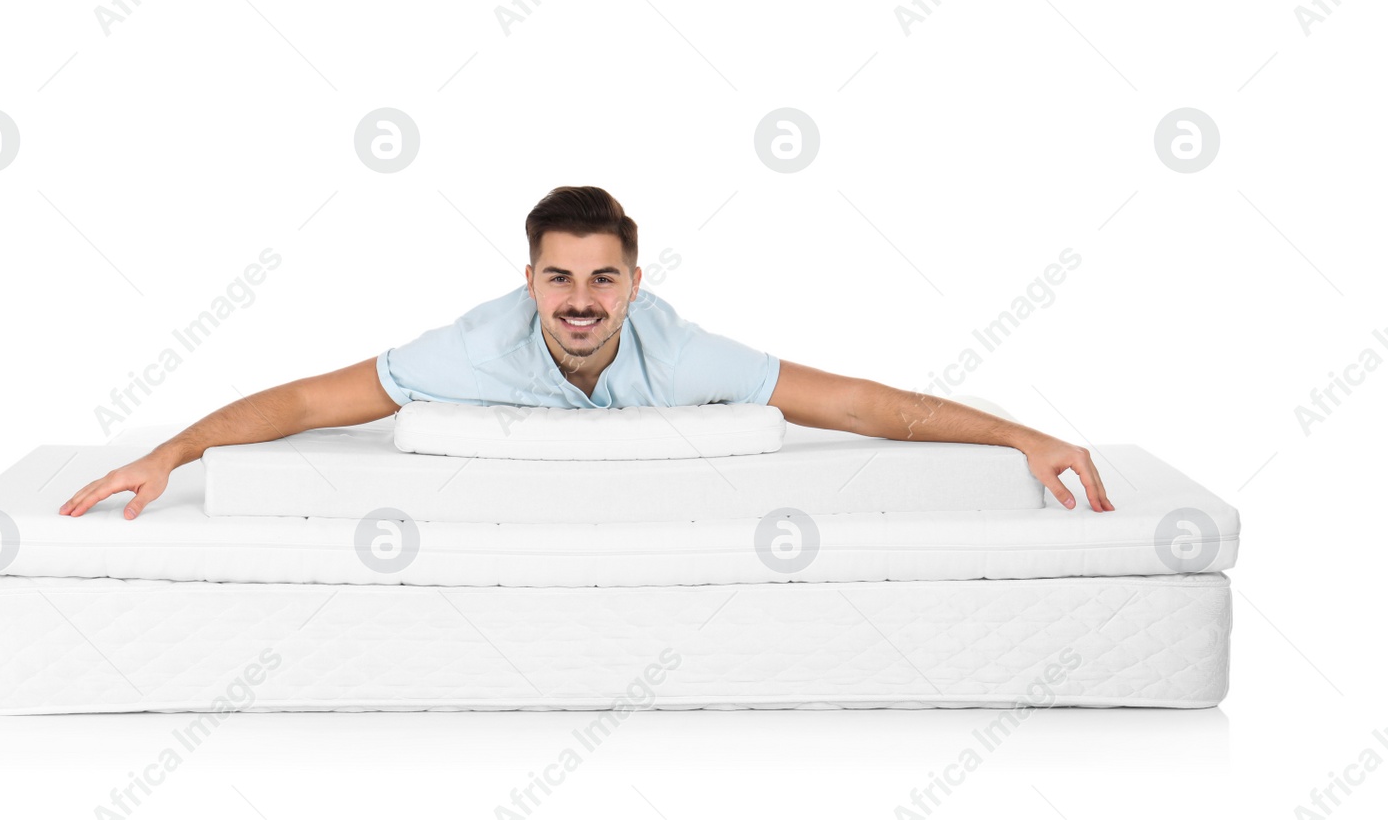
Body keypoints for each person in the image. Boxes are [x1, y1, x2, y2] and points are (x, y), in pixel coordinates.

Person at [61, 186, 1113, 519]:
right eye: (558, 278)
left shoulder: (679, 350)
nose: (579, 301)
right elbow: (298, 405)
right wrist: (172, 454)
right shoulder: (469, 349)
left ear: (634, 286)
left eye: (602, 279)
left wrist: (1020, 433)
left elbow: (856, 405)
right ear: (528, 284)